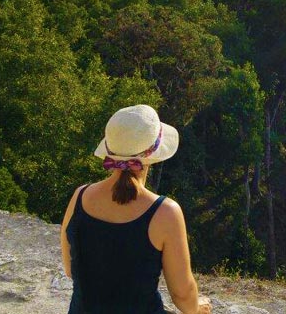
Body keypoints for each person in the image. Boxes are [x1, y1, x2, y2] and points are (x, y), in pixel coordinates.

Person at [61, 104, 211, 314]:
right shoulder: (165, 212)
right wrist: (196, 308)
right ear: (152, 155)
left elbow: (70, 270)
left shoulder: (80, 196)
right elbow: (182, 294)